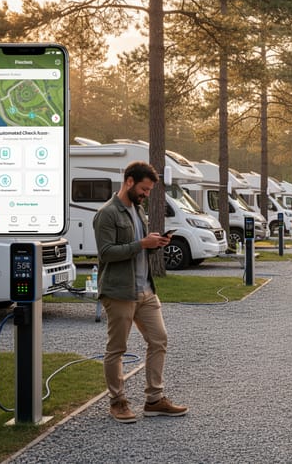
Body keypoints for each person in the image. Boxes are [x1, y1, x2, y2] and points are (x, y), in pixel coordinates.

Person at [93, 161, 189, 423]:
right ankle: (118, 402)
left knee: (159, 340)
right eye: (144, 189)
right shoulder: (107, 214)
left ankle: (154, 400)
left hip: (145, 290)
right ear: (129, 182)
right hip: (119, 292)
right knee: (117, 349)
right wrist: (140, 244)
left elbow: (139, 247)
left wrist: (155, 244)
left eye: (148, 191)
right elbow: (106, 253)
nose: (146, 194)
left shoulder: (138, 210)